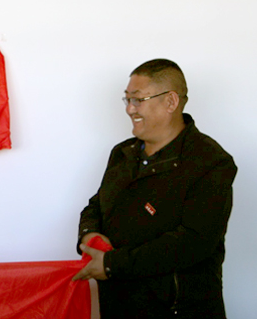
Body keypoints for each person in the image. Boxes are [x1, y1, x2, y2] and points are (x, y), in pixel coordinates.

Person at [73, 59, 237, 318]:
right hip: (119, 306)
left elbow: (193, 243)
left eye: (138, 99)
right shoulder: (122, 153)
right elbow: (96, 206)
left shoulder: (210, 162)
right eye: (127, 99)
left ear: (171, 101)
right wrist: (89, 235)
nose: (129, 109)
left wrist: (112, 264)